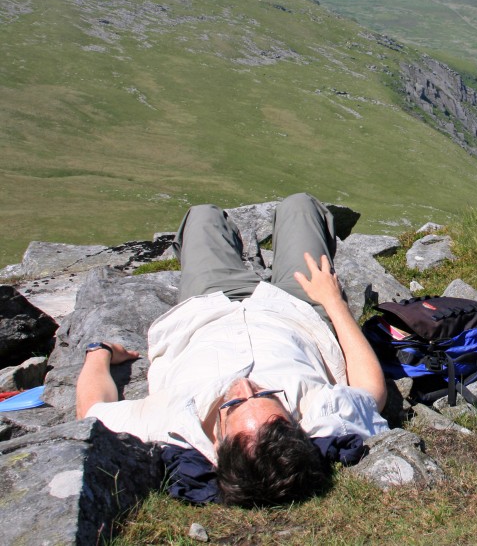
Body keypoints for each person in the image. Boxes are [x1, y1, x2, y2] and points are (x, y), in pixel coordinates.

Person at [75, 193, 388, 506]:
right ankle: (255, 251)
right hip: (299, 311)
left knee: (202, 216)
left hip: (205, 309)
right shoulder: (323, 417)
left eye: (234, 403)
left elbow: (91, 413)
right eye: (267, 395)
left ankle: (234, 253)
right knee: (299, 206)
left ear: (218, 444)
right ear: (294, 428)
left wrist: (98, 352)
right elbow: (372, 390)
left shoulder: (170, 424)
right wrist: (334, 301)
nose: (244, 385)